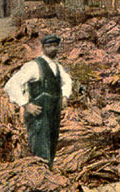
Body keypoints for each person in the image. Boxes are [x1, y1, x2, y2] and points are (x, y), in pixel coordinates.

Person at [5, 34, 72, 167]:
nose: (52, 49)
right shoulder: (34, 66)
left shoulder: (57, 67)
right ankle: (41, 178)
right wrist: (25, 104)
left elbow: (67, 81)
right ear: (43, 48)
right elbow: (11, 84)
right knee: (40, 148)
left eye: (55, 46)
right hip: (38, 114)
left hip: (53, 113)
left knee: (51, 145)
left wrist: (65, 96)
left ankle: (48, 174)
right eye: (48, 46)